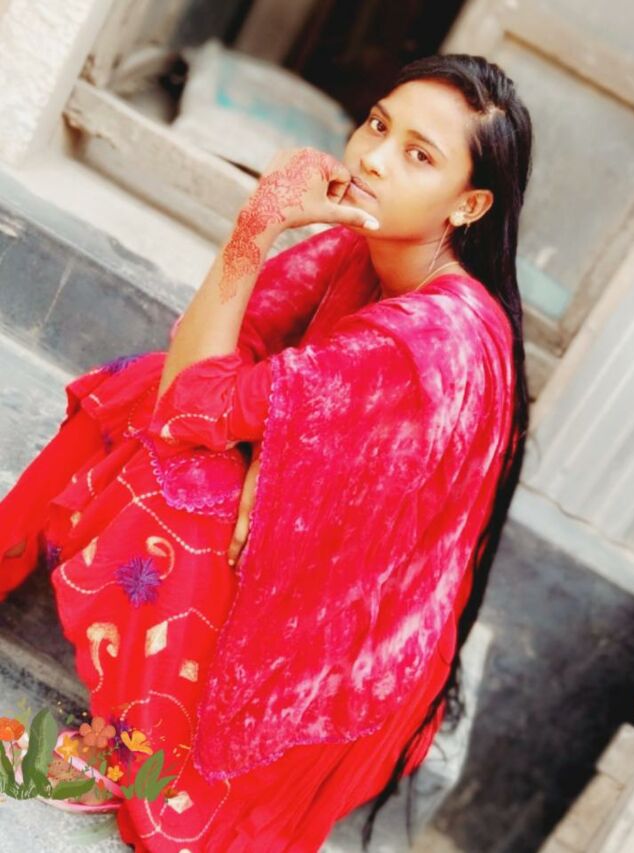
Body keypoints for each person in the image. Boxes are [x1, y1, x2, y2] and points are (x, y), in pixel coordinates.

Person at [0, 53, 532, 851]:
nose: (374, 159)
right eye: (378, 125)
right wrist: (261, 226)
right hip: (309, 574)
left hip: (330, 664)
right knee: (141, 390)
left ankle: (141, 757)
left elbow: (199, 404)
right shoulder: (366, 249)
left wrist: (272, 465)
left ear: (470, 203)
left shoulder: (430, 338)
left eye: (419, 155)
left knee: (177, 488)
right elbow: (202, 367)